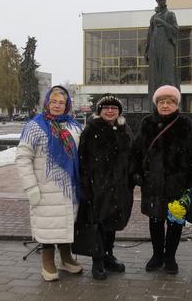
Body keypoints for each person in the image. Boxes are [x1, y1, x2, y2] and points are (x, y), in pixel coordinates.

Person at [16, 85, 84, 281]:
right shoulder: (35, 126)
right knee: (49, 224)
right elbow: (23, 157)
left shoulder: (74, 126)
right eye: (53, 101)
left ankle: (66, 258)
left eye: (61, 102)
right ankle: (47, 261)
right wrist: (30, 187)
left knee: (65, 223)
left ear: (67, 105)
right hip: (45, 187)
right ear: (47, 102)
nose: (57, 105)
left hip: (69, 187)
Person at [132, 85, 192, 275]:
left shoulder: (185, 123)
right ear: (156, 104)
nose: (165, 105)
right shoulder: (147, 123)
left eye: (170, 102)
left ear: (176, 104)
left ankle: (170, 257)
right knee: (155, 220)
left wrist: (191, 179)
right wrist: (137, 172)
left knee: (175, 221)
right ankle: (157, 255)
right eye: (161, 102)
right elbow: (137, 150)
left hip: (178, 183)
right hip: (153, 182)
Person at [78, 94, 134, 280]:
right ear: (99, 111)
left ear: (119, 111)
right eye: (106, 108)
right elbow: (82, 161)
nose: (110, 111)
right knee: (98, 226)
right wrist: (86, 187)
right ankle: (98, 260)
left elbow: (131, 156)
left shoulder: (125, 130)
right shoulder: (90, 130)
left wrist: (131, 178)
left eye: (114, 108)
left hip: (119, 188)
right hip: (97, 188)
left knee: (112, 225)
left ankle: (109, 256)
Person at [145, 0, 179, 104]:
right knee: (154, 77)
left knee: (167, 75)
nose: (162, 2)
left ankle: (169, 100)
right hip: (154, 49)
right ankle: (154, 104)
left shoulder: (170, 15)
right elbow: (149, 34)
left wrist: (162, 22)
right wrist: (147, 50)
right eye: (160, 0)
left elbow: (175, 30)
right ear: (157, 1)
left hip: (166, 48)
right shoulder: (153, 17)